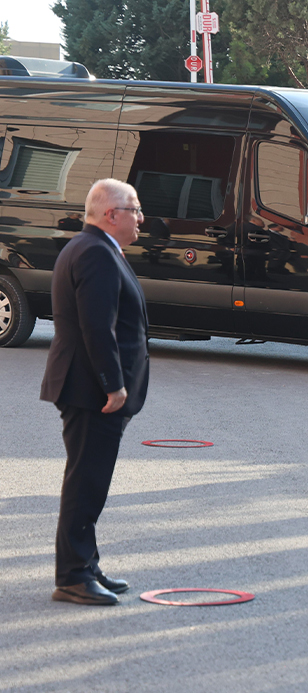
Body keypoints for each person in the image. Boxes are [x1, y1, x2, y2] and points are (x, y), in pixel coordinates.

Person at [40, 178, 150, 606]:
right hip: (93, 391)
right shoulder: (95, 254)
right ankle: (73, 575)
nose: (140, 218)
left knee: (88, 481)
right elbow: (95, 326)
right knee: (86, 483)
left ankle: (85, 565)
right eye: (134, 210)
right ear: (111, 214)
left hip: (89, 388)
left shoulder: (93, 248)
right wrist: (114, 384)